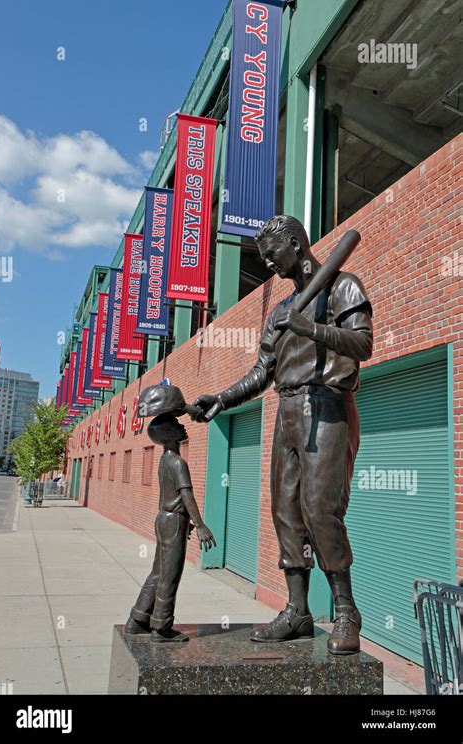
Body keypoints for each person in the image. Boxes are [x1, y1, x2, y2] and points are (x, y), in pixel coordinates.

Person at [193, 215, 373, 655]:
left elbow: (363, 344)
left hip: (328, 405)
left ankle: (346, 610)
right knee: (286, 512)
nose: (269, 261)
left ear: (296, 243)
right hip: (287, 410)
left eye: (273, 252)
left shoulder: (343, 285)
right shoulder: (278, 311)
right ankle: (297, 611)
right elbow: (261, 373)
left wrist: (310, 327)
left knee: (319, 509)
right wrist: (222, 398)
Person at [125, 384, 216, 643]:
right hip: (173, 520)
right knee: (169, 575)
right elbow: (186, 496)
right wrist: (199, 524)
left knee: (157, 571)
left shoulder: (165, 460)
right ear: (168, 435)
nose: (183, 426)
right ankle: (161, 627)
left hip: (165, 519)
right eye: (177, 425)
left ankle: (137, 619)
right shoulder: (178, 462)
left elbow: (170, 496)